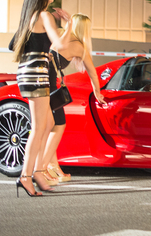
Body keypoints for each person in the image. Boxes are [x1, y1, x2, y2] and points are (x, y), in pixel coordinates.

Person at [10, 0, 70, 198]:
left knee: (50, 122)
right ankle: (26, 176)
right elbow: (59, 44)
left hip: (29, 74)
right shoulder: (44, 15)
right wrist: (70, 23)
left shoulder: (30, 16)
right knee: (38, 127)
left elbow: (13, 44)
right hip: (36, 75)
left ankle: (38, 172)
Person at [41, 14, 103, 182]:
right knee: (59, 124)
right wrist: (97, 91)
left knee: (51, 126)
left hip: (39, 80)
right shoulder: (78, 46)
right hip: (50, 86)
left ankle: (54, 167)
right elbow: (92, 73)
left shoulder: (60, 33)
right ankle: (42, 168)